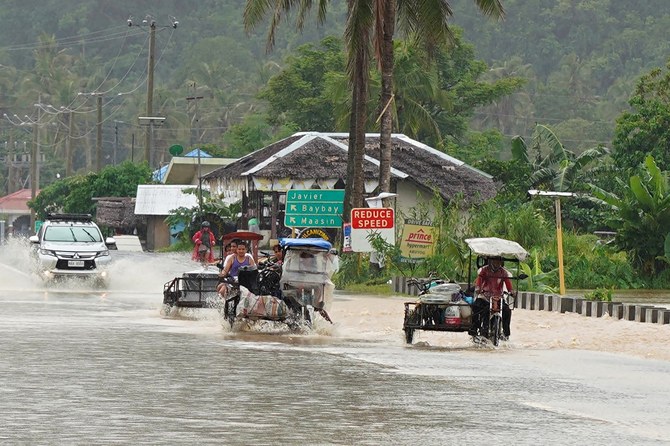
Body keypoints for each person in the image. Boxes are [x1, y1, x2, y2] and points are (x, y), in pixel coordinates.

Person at [469, 257, 514, 339]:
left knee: (507, 310)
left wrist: (512, 291)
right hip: (485, 297)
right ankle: (474, 329)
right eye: (496, 260)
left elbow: (508, 285)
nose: (497, 262)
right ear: (491, 261)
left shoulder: (503, 272)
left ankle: (506, 333)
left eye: (499, 260)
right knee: (476, 307)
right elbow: (479, 281)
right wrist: (478, 288)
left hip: (498, 297)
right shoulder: (484, 270)